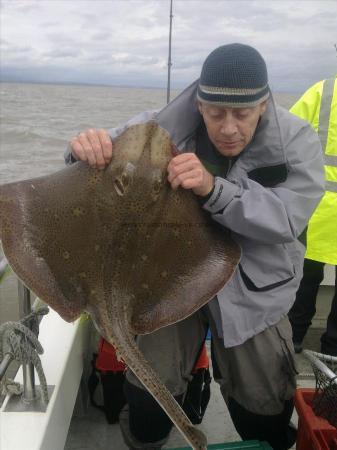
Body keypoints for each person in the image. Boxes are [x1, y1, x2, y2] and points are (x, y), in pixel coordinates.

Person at [65, 43, 325, 450]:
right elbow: (95, 156)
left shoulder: (297, 142)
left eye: (242, 114)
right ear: (199, 103)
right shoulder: (159, 128)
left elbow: (286, 220)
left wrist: (212, 189)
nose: (228, 128)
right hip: (169, 278)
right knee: (152, 393)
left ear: (264, 104)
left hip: (255, 288)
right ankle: (146, 439)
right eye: (215, 112)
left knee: (261, 404)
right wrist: (82, 148)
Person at [288, 77, 337, 356]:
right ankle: (332, 352)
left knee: (306, 277)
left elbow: (285, 136)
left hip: (315, 206)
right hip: (317, 207)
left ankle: (293, 338)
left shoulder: (323, 90)